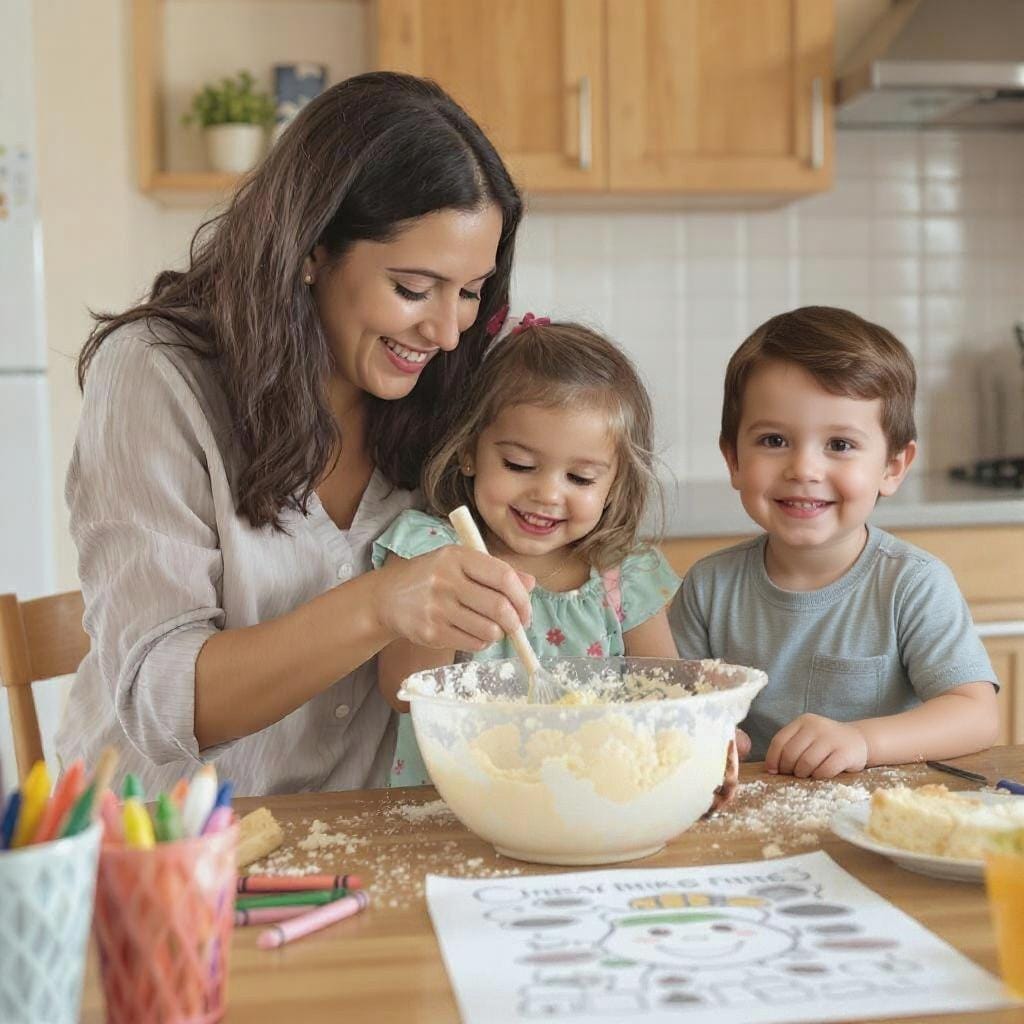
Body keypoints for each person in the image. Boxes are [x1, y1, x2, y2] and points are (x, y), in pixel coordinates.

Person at [56, 72, 536, 796]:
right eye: (412, 288)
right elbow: (162, 699)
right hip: (162, 851)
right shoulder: (157, 376)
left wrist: (676, 751)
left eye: (469, 292)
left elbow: (574, 565)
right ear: (312, 249)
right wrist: (381, 603)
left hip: (362, 849)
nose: (444, 330)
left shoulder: (453, 387)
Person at [670, 306, 999, 780]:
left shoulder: (912, 584)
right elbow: (673, 706)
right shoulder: (708, 586)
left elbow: (976, 714)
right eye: (774, 440)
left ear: (893, 466)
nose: (804, 469)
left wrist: (864, 740)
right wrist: (704, 730)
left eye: (840, 445)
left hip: (878, 817)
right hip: (750, 820)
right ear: (733, 459)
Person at [372, 314, 682, 787]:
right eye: (519, 464)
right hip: (448, 812)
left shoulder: (624, 574)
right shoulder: (430, 551)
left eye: (579, 478)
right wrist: (448, 603)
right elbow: (402, 693)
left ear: (615, 484)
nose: (547, 494)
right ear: (469, 452)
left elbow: (670, 699)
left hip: (588, 808)